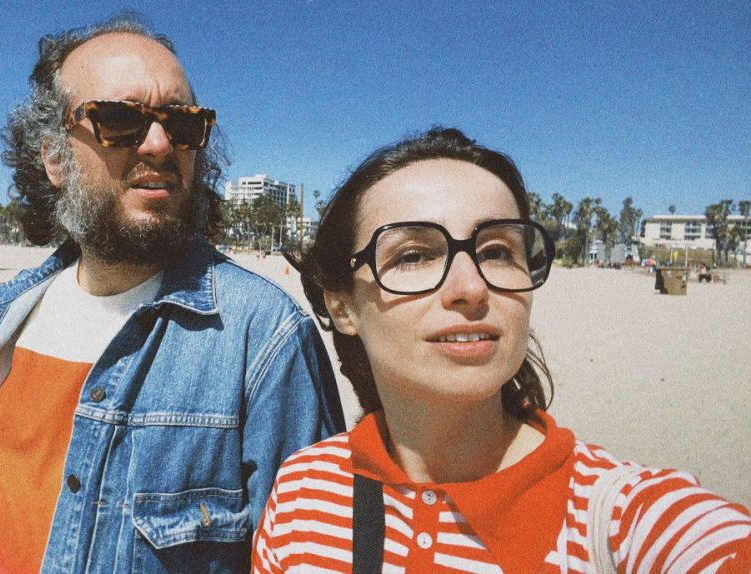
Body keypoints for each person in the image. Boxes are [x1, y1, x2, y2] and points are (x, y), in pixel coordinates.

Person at [0, 14, 344, 574]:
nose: (159, 144)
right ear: (54, 158)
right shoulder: (3, 317)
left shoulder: (265, 338)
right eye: (119, 119)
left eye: (183, 125)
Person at [252, 128, 750, 573]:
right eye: (414, 255)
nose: (472, 288)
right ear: (343, 308)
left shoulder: (615, 516)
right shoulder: (303, 493)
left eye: (496, 252)